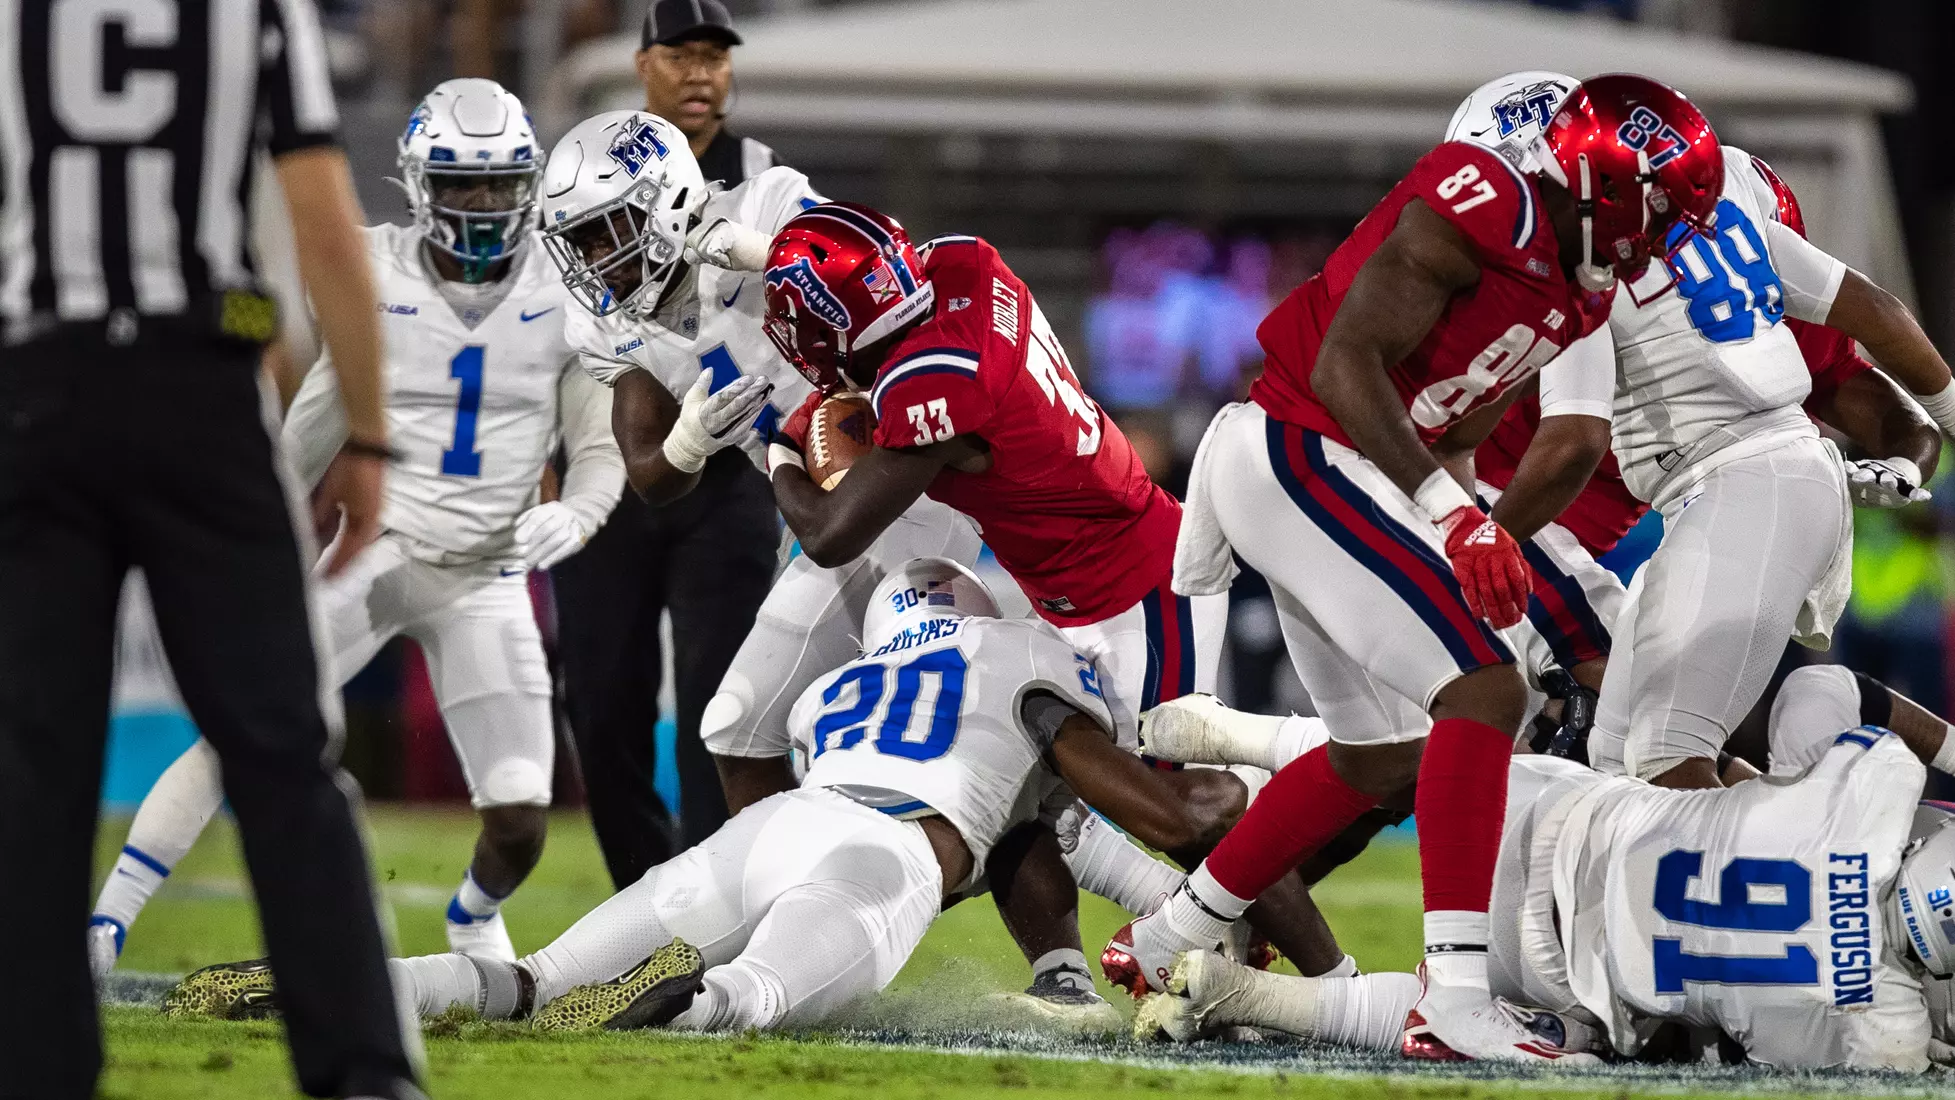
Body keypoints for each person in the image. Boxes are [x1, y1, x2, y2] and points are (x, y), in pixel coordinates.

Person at [1100, 74, 1724, 1065]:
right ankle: (1455, 998)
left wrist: (1464, 518)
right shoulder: (1482, 198)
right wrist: (1452, 519)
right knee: (1484, 690)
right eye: (1659, 212)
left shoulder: (1580, 283)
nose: (1664, 241)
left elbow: (1458, 416)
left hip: (1332, 463)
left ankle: (1168, 932)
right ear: (1600, 184)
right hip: (1297, 445)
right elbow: (1343, 364)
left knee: (1378, 756)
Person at [165, 558, 1231, 1033]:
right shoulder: (1031, 658)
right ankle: (690, 997)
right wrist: (1190, 891)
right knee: (749, 996)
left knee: (532, 980)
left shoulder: (833, 689)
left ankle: (346, 983)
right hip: (889, 851)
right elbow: (1085, 828)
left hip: (772, 825)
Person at [88, 80, 625, 971]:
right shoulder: (371, 271)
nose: (482, 204)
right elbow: (313, 426)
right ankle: (107, 923)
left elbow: (598, 443)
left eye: (499, 183)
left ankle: (472, 916)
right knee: (245, 730)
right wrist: (255, 534)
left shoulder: (564, 292)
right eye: (461, 183)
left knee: (521, 819)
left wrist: (582, 508)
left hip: (488, 576)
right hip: (373, 551)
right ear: (418, 184)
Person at [0, 0, 421, 1096]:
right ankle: (363, 1074)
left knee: (35, 766)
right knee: (281, 750)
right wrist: (367, 430)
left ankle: (36, 1069)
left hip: (40, 386)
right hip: (200, 392)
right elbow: (323, 214)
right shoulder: (253, 12)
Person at [1138, 664, 1955, 1072]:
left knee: (1441, 761)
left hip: (1548, 822)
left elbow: (1819, 684)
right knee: (1571, 1037)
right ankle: (1248, 997)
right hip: (1549, 974)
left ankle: (1251, 734)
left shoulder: (1869, 794)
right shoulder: (1883, 1026)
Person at [547, 0, 814, 887]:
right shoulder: (581, 184)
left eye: (715, 55)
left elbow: (844, 268)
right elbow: (563, 338)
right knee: (601, 704)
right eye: (681, 53)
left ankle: (719, 896)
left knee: (722, 706)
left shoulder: (765, 182)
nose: (701, 71)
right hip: (613, 465)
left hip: (744, 474)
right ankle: (643, 907)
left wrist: (752, 250)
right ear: (642, 65)